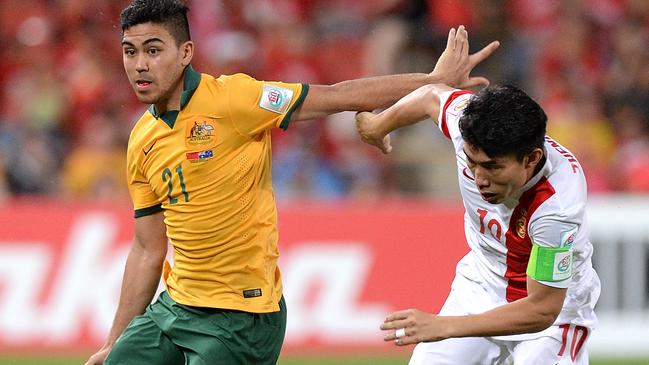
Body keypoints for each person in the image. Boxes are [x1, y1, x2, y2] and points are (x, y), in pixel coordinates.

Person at [84, 0, 499, 364]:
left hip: (241, 317)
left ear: (185, 52)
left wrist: (432, 81)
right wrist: (115, 340)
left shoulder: (235, 100)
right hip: (176, 308)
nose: (139, 64)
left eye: (153, 50)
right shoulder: (142, 139)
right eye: (130, 51)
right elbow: (145, 249)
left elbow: (337, 95)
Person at [355, 29, 601, 365]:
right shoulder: (469, 124)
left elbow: (542, 308)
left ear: (530, 159)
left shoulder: (556, 205)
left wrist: (443, 326)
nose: (479, 178)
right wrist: (378, 125)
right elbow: (432, 96)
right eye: (472, 162)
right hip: (480, 287)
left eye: (493, 168)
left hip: (552, 317)